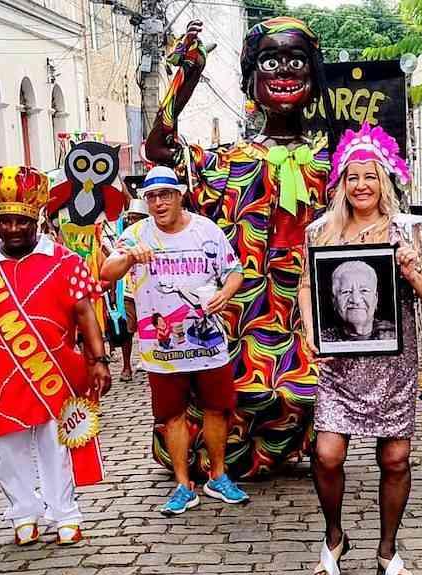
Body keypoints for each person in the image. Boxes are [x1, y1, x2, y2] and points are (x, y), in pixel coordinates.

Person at [143, 17, 332, 477]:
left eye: (296, 62)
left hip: (303, 305)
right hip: (241, 307)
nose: (284, 72)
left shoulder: (332, 163)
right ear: (251, 79)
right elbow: (160, 148)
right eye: (270, 61)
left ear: (314, 77)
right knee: (237, 389)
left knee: (302, 388)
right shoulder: (231, 161)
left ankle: (285, 448)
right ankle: (217, 455)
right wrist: (185, 78)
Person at [299, 123, 422, 575]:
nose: (362, 185)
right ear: (341, 183)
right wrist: (311, 333)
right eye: (353, 177)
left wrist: (411, 271)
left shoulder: (409, 228)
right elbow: (307, 285)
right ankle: (334, 535)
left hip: (393, 364)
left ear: (385, 180)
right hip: (339, 364)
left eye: (370, 176)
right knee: (326, 454)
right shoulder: (320, 231)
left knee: (395, 458)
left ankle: (387, 550)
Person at [0, 165, 111, 546]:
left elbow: (86, 312)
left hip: (55, 367)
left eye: (23, 221)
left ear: (36, 220)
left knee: (56, 444)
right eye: (7, 221)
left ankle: (64, 513)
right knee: (9, 448)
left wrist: (99, 359)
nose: (15, 229)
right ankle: (23, 513)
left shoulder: (65, 261)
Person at [101, 166, 249, 516]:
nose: (158, 203)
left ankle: (218, 475)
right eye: (151, 197)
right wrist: (128, 258)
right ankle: (183, 484)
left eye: (165, 195)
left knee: (217, 409)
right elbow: (106, 274)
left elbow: (235, 271)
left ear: (180, 195)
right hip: (162, 351)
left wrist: (225, 295)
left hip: (208, 343)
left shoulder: (206, 231)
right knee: (172, 416)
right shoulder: (136, 234)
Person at [99, 199, 149, 382]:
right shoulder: (125, 237)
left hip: (148, 291)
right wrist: (112, 292)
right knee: (127, 331)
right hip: (127, 291)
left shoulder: (154, 235)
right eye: (130, 218)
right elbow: (111, 266)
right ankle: (126, 365)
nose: (132, 222)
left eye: (137, 218)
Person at [321, 261, 395, 342]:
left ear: (375, 299)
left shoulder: (395, 336)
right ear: (334, 301)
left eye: (364, 290)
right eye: (346, 291)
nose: (355, 300)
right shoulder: (322, 341)